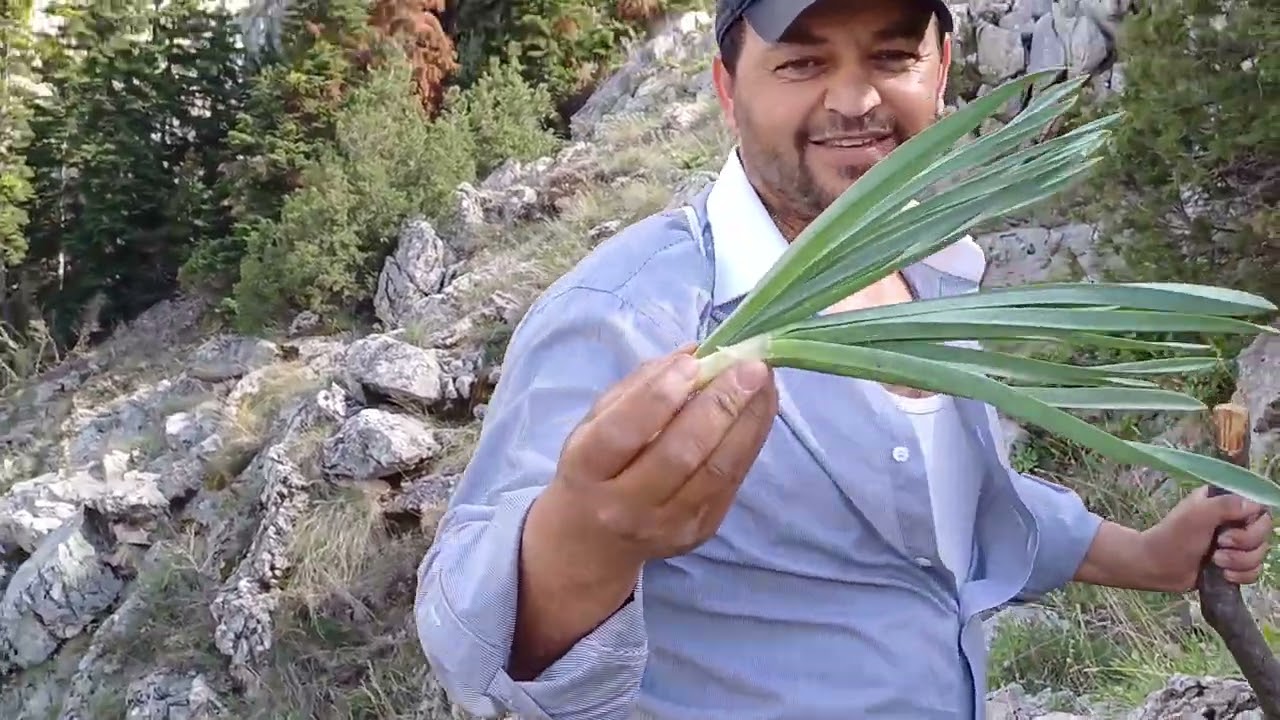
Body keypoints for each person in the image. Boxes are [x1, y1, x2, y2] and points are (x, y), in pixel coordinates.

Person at [414, 0, 1274, 717]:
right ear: (726, 88)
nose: (856, 99)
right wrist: (580, 545)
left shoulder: (937, 277)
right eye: (800, 63)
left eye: (894, 55)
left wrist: (1148, 554)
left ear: (938, 76)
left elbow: (946, 501)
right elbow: (462, 637)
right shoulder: (626, 315)